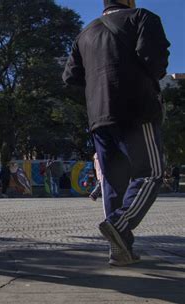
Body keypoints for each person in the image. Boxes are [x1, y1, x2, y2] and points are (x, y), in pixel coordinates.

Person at [63, 0, 170, 266]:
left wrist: (99, 86)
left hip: (99, 117)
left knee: (113, 183)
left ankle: (120, 251)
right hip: (137, 111)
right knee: (150, 174)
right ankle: (118, 224)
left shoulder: (84, 33)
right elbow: (154, 60)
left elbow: (70, 77)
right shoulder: (142, 18)